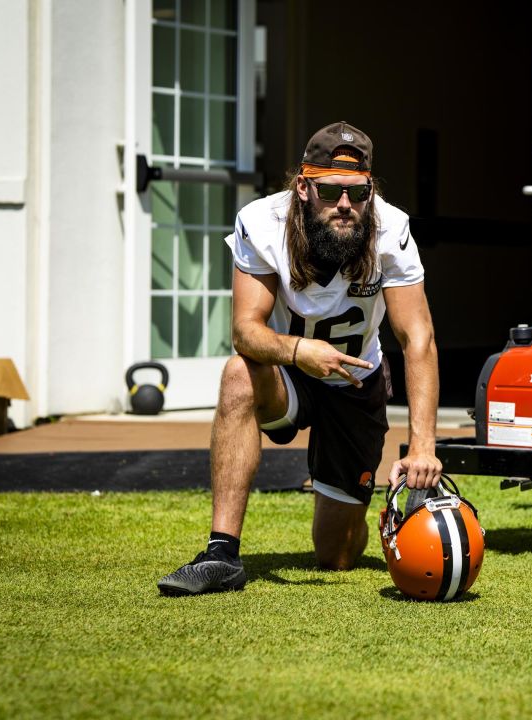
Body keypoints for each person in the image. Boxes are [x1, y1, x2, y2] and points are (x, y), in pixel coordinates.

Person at [158, 121, 442, 596]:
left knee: (336, 556)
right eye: (331, 191)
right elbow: (245, 332)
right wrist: (298, 351)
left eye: (358, 192)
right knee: (237, 376)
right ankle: (221, 553)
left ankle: (363, 505)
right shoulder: (262, 221)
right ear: (304, 186)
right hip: (290, 369)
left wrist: (423, 446)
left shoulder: (391, 226)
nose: (346, 205)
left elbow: (418, 338)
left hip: (356, 380)